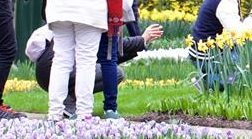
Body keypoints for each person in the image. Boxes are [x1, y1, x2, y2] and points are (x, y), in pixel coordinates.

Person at [27, 23, 163, 117]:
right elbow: (110, 47)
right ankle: (76, 108)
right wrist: (142, 40)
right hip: (57, 68)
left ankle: (61, 106)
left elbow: (109, 53)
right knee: (115, 73)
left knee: (102, 68)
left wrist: (141, 42)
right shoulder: (90, 20)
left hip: (45, 72)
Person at [189, 0, 252, 89]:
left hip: (202, 51)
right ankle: (209, 82)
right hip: (207, 56)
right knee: (245, 66)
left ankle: (210, 80)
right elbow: (239, 34)